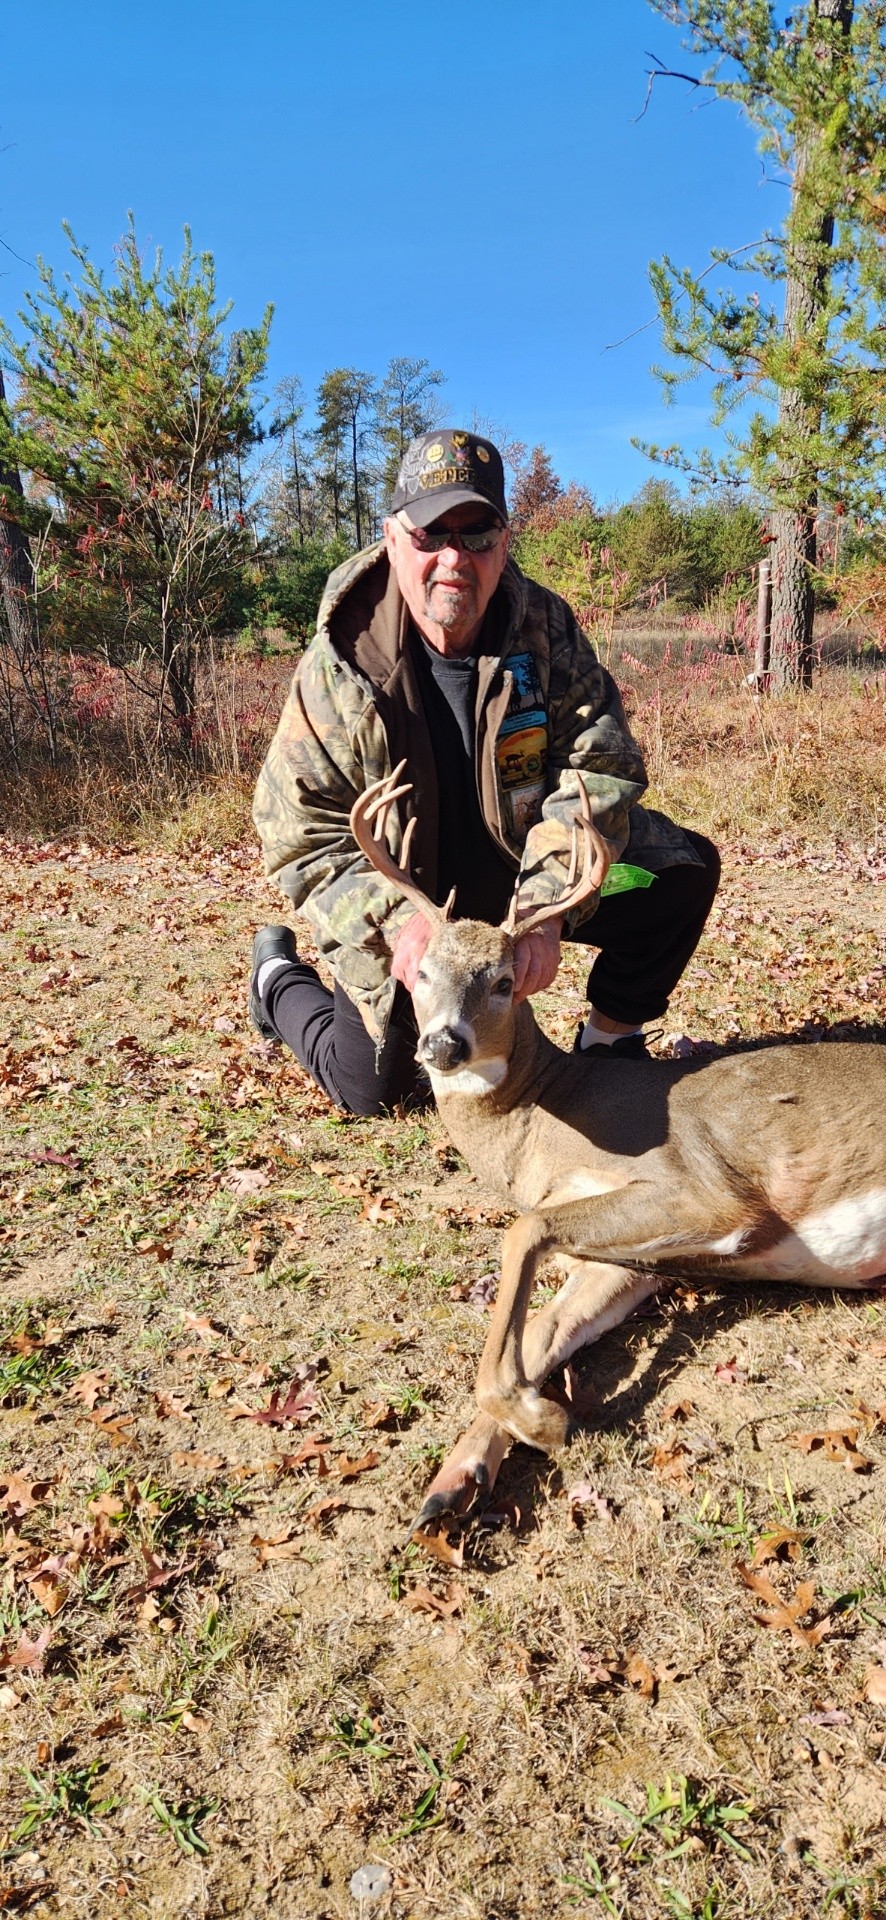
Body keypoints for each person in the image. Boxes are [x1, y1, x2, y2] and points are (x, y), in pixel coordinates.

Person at [250, 428, 719, 1116]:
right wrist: (390, 925)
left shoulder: (544, 628)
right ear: (392, 537)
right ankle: (275, 978)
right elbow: (300, 832)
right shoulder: (341, 662)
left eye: (476, 535)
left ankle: (608, 1043)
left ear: (503, 543)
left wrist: (546, 908)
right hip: (409, 902)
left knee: (676, 874)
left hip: (521, 879)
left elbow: (601, 764)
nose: (453, 559)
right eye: (431, 534)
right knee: (374, 1091)